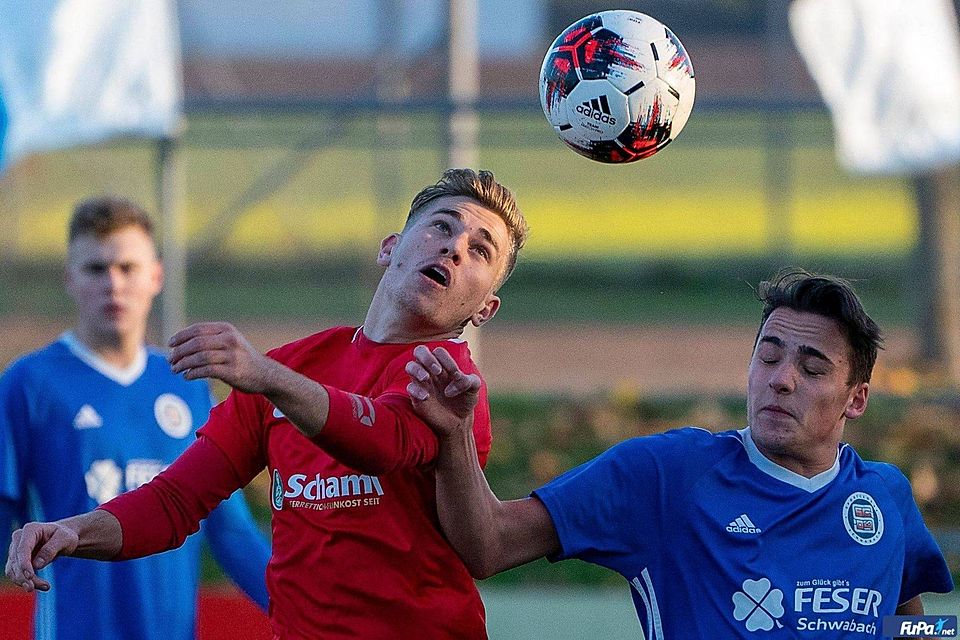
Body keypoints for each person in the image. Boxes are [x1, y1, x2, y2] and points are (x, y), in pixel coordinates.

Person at [5, 168, 530, 640]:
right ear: (390, 247)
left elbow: (381, 441)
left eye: (481, 250)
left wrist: (269, 377)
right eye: (442, 226)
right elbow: (175, 502)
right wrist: (75, 530)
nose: (455, 247)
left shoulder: (451, 383)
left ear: (485, 308)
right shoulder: (291, 367)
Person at [405, 269, 954, 639]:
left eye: (812, 369)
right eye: (768, 358)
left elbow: (909, 625)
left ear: (855, 399)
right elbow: (490, 544)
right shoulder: (670, 474)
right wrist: (453, 442)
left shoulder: (884, 496)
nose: (781, 381)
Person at [0, 197, 270, 640]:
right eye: (95, 269)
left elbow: (229, 529)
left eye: (128, 268)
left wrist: (306, 613)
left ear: (156, 275)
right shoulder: (29, 385)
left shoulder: (185, 383)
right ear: (70, 279)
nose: (113, 284)